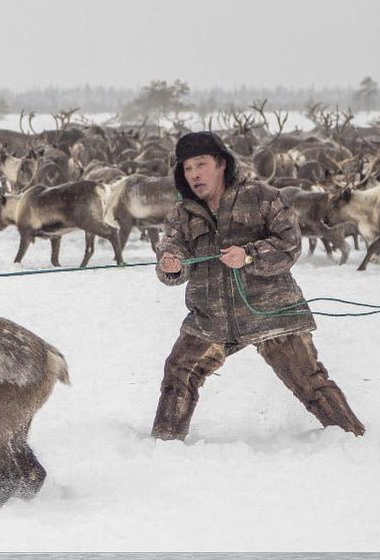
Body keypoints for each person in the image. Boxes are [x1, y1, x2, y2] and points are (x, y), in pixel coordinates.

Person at [152, 131, 364, 441]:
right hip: (211, 318)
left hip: (272, 312)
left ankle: (353, 439)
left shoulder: (262, 197)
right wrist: (170, 263)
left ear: (221, 164)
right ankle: (164, 444)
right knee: (178, 373)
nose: (194, 174)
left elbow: (290, 244)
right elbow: (172, 249)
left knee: (309, 380)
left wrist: (249, 255)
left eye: (201, 164)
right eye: (187, 168)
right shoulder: (181, 214)